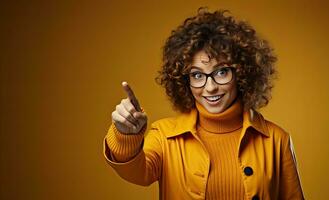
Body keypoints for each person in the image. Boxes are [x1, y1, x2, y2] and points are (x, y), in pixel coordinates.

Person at [103, 8, 304, 200]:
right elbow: (137, 173)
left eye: (221, 72)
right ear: (185, 81)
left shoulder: (277, 140)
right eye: (197, 75)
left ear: (241, 74)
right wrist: (126, 136)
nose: (210, 87)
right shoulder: (165, 136)